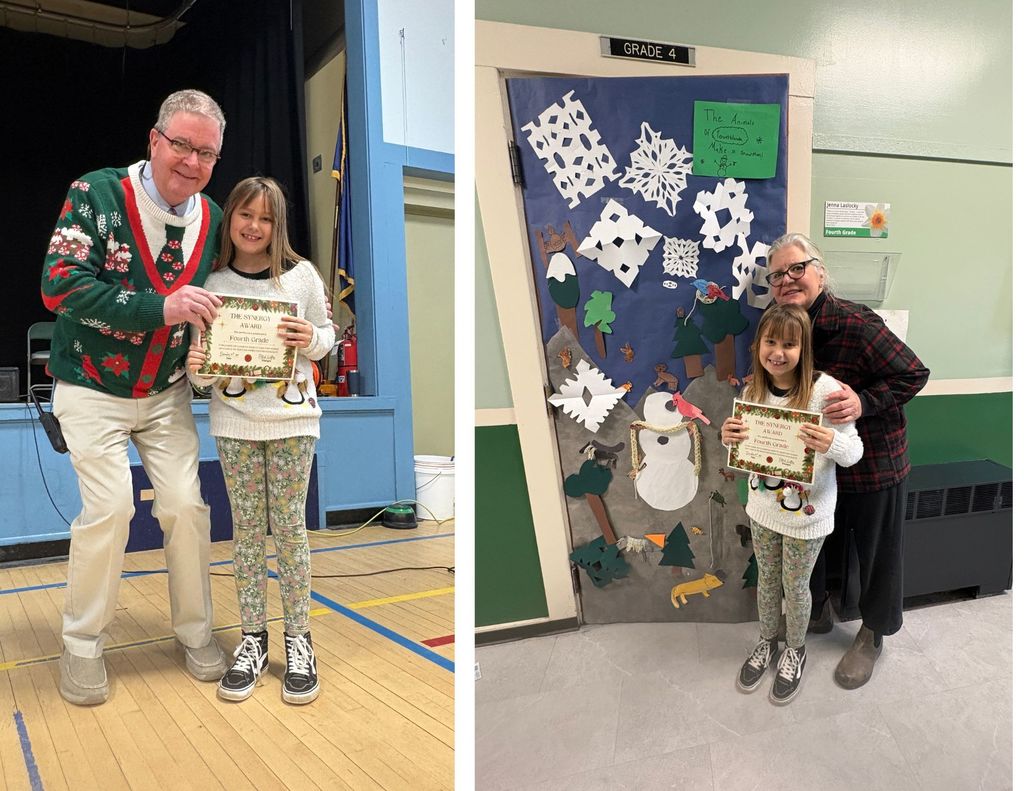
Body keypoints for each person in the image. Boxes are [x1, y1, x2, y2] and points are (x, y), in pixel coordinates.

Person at [41, 89, 229, 705]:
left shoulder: (216, 218)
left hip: (167, 393)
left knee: (185, 507)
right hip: (91, 387)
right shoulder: (94, 194)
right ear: (154, 140)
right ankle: (82, 643)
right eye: (181, 144)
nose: (192, 161)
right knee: (112, 510)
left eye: (206, 152)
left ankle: (196, 632)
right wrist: (161, 307)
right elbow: (58, 287)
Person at [187, 177, 334, 704]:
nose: (254, 226)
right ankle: (253, 638)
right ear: (230, 220)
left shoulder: (302, 278)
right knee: (247, 531)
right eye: (245, 215)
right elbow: (203, 372)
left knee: (289, 528)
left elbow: (326, 339)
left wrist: (310, 339)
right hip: (235, 424)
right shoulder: (210, 281)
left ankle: (299, 638)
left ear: (279, 226)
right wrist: (198, 370)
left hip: (293, 423)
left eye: (266, 218)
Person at [764, 233, 930, 689]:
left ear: (820, 271)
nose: (787, 280)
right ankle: (814, 611)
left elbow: (914, 373)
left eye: (796, 268)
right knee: (816, 545)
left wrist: (864, 402)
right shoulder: (781, 326)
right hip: (817, 470)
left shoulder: (856, 322)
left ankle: (873, 633)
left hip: (875, 464)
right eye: (777, 275)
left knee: (877, 556)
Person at [723, 304, 863, 704]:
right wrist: (727, 436)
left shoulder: (825, 392)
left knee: (796, 585)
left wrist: (831, 443)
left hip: (807, 515)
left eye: (789, 344)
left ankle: (794, 649)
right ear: (758, 346)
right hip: (763, 509)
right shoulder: (751, 391)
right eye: (771, 342)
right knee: (767, 579)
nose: (778, 353)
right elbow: (740, 447)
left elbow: (853, 452)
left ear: (804, 349)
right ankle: (766, 640)